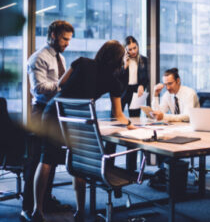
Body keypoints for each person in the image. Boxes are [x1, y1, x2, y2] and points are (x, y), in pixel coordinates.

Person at [31, 40, 136, 222]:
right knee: (78, 161)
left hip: (54, 111)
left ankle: (36, 211)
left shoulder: (82, 61)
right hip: (79, 119)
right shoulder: (113, 81)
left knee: (46, 159)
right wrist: (129, 123)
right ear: (119, 59)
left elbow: (61, 84)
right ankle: (80, 211)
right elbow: (118, 115)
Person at [21, 20, 74, 222]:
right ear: (53, 35)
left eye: (69, 39)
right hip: (42, 112)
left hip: (56, 111)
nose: (67, 43)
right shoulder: (38, 58)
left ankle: (45, 200)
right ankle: (28, 207)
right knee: (37, 161)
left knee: (50, 158)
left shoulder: (60, 57)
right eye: (64, 38)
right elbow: (38, 89)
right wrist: (63, 84)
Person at [149, 67, 199, 188]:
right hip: (176, 128)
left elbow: (187, 116)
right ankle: (165, 172)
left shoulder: (189, 93)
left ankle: (167, 173)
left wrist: (165, 116)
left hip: (192, 129)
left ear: (178, 81)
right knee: (158, 138)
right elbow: (159, 112)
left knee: (166, 140)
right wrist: (155, 95)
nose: (168, 87)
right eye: (165, 84)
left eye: (170, 83)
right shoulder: (167, 94)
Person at [120, 36, 149, 117]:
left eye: (135, 48)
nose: (133, 51)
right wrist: (125, 66)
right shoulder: (120, 60)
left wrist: (142, 85)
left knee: (135, 118)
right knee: (115, 117)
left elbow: (146, 78)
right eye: (130, 49)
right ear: (125, 49)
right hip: (122, 91)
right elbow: (116, 77)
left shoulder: (144, 60)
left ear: (138, 46)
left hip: (136, 92)